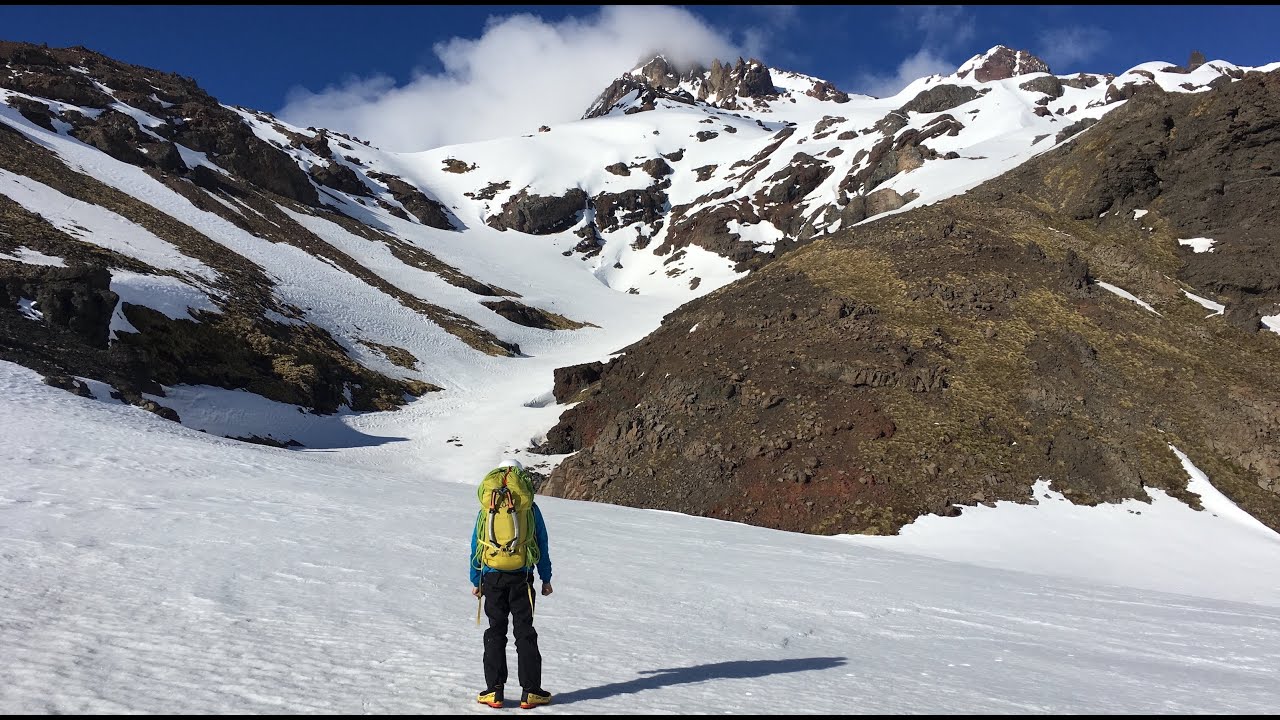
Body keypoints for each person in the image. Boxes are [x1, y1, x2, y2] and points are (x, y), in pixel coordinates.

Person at [471, 458, 554, 709]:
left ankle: (493, 691)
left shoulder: (488, 507)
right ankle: (531, 691)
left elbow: (477, 544)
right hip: (522, 577)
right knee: (524, 632)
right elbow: (541, 542)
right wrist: (546, 578)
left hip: (492, 577)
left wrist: (477, 580)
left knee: (495, 632)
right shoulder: (529, 507)